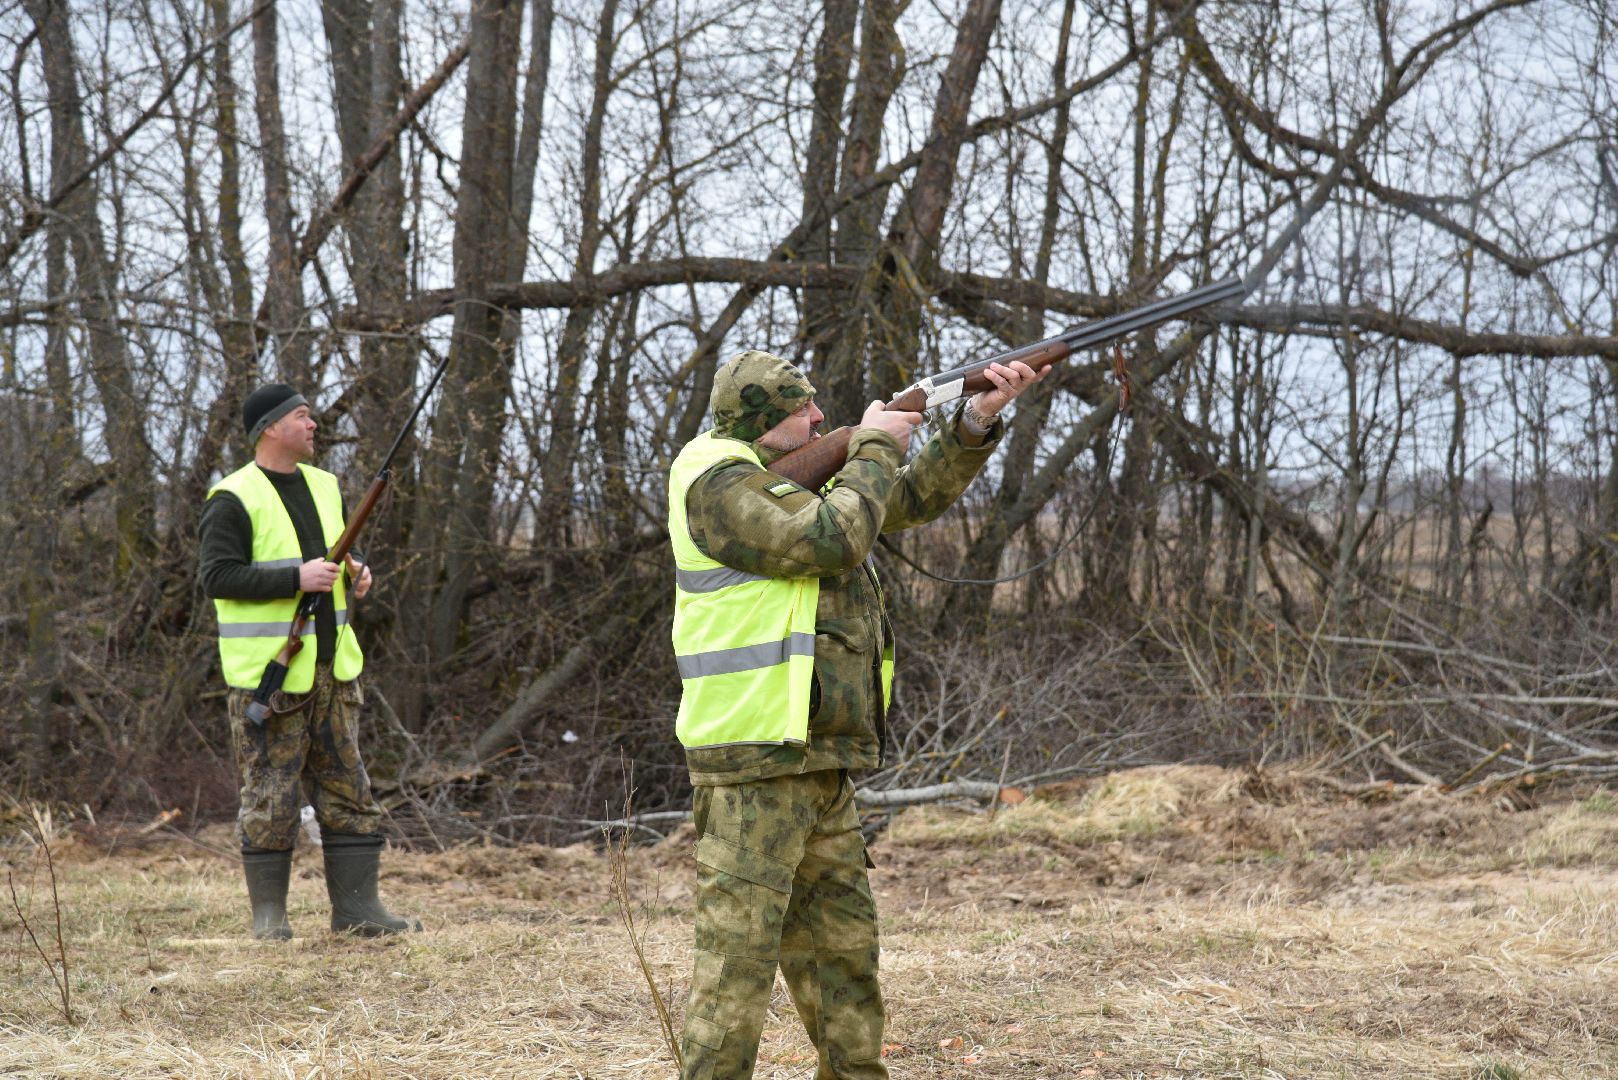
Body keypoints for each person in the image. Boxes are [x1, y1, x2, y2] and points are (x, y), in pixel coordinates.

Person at [667, 350, 1046, 1078]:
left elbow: (893, 503)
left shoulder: (778, 476)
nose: (817, 418)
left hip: (819, 757)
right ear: (757, 422)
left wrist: (972, 421)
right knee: (735, 976)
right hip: (752, 762)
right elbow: (833, 537)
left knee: (846, 965)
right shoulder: (713, 479)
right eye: (801, 412)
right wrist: (872, 440)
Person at [198, 383, 415, 939]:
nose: (313, 423)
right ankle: (270, 919)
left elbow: (344, 549)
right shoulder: (232, 497)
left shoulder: (325, 485)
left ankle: (359, 913)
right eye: (301, 415)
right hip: (270, 680)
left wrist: (357, 570)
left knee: (351, 792)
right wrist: (295, 577)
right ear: (271, 428)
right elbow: (217, 576)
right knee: (270, 799)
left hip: (334, 672)